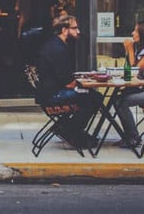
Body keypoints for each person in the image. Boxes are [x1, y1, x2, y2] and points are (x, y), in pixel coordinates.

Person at [35, 15, 102, 149]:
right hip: (53, 95)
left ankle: (69, 129)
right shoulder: (58, 49)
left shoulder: (54, 45)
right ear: (64, 30)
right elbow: (68, 82)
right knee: (94, 98)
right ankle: (70, 131)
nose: (78, 31)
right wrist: (84, 82)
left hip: (49, 92)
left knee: (92, 96)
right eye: (74, 28)